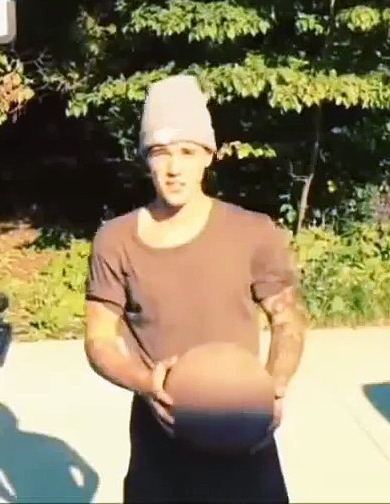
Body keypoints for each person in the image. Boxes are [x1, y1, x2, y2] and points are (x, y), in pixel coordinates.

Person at [83, 74, 310, 504]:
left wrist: (275, 385)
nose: (173, 168)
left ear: (208, 155)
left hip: (242, 425)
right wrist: (147, 383)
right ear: (146, 159)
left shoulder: (253, 232)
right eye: (160, 153)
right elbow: (98, 339)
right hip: (161, 434)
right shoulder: (115, 240)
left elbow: (288, 319)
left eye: (187, 152)